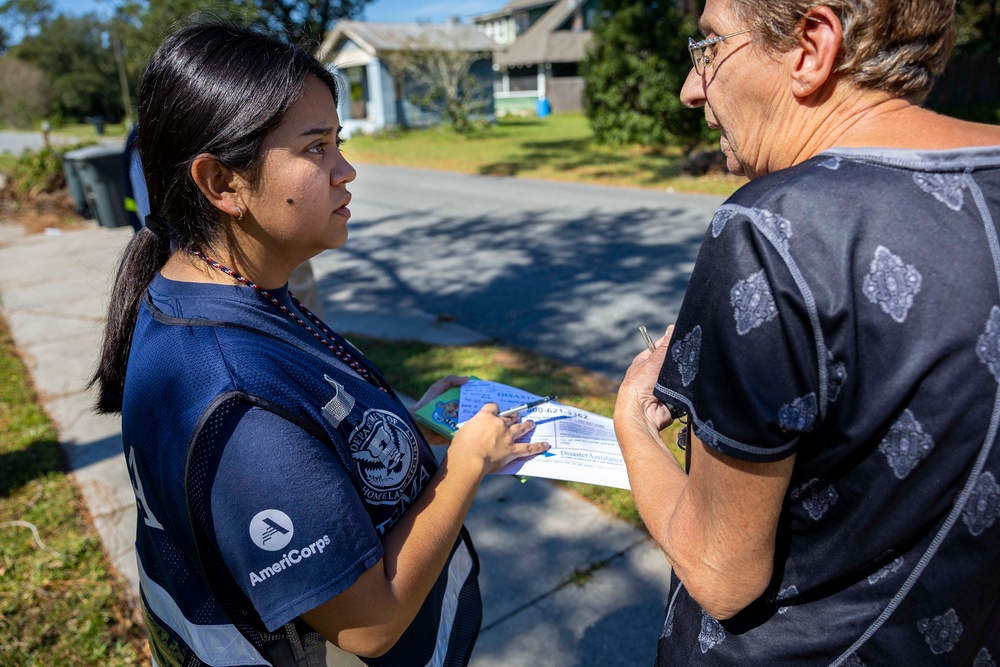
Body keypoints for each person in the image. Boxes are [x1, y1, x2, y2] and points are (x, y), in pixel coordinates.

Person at [90, 22, 549, 667]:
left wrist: (408, 428)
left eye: (339, 142)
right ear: (222, 183)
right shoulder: (239, 404)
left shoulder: (220, 285)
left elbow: (310, 419)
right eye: (316, 150)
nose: (346, 170)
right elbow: (369, 625)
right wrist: (463, 466)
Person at [613, 0, 1000, 664]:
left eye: (708, 46)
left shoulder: (772, 228)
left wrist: (631, 421)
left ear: (811, 45)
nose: (690, 87)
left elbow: (720, 573)